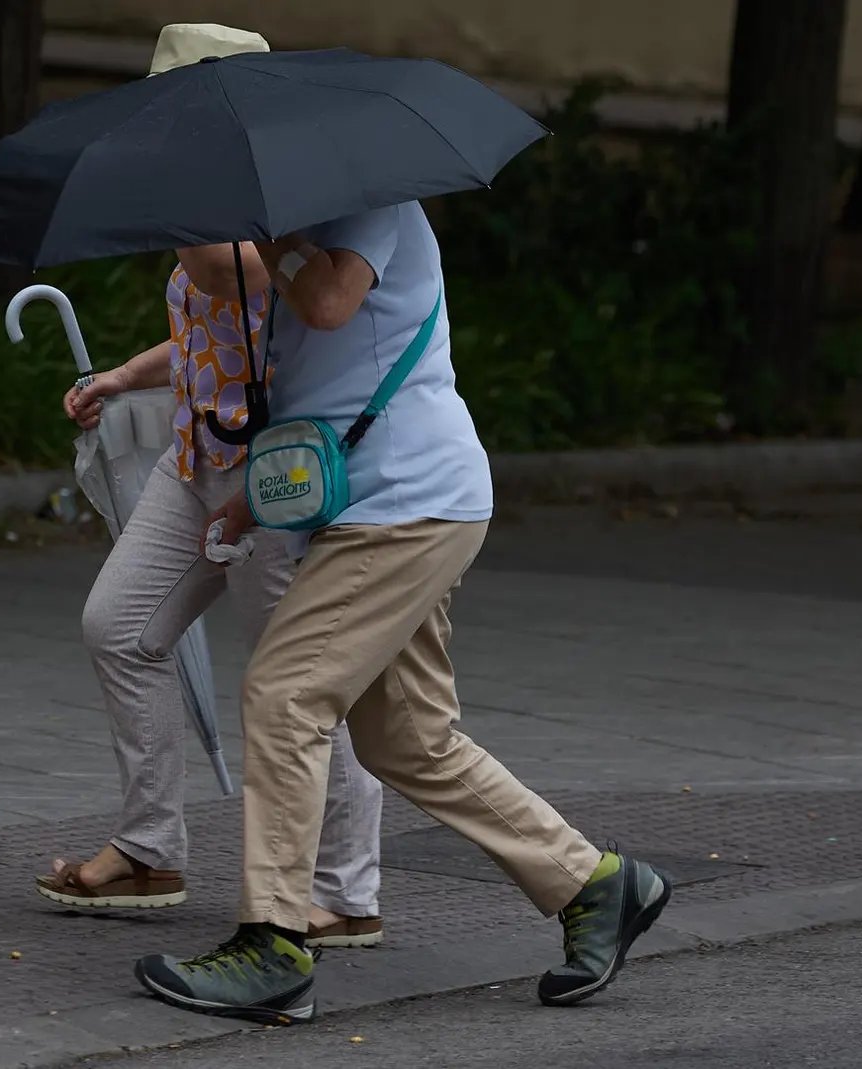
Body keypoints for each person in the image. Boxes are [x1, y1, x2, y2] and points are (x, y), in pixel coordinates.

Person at [133, 199, 674, 1020]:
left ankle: (273, 945)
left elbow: (329, 301)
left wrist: (271, 243)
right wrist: (249, 498)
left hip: (407, 504)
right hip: (377, 504)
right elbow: (323, 379)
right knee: (407, 737)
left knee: (285, 696)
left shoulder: (377, 203)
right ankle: (595, 883)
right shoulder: (303, 229)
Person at [35, 22, 388, 951]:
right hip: (193, 464)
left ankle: (348, 889)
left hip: (271, 477)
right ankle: (152, 846)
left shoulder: (274, 205)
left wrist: (172, 181)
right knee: (119, 626)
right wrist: (123, 376)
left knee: (299, 684)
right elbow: (200, 324)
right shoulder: (206, 193)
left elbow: (216, 274)